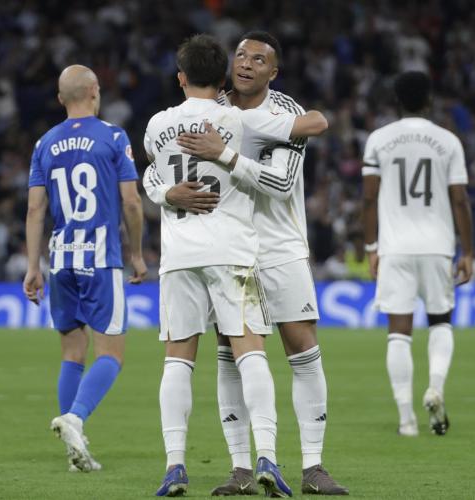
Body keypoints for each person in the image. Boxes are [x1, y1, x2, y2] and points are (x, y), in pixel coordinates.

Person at [145, 31, 348, 495]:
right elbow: (155, 166)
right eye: (240, 55)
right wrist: (166, 192)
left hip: (277, 248)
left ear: (273, 71)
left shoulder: (281, 112)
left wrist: (225, 155)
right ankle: (241, 469)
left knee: (302, 351)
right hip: (230, 249)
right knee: (231, 358)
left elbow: (281, 184)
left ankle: (313, 465)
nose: (246, 63)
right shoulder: (218, 108)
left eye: (258, 59)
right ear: (225, 68)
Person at [23, 65, 147, 472]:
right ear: (95, 91)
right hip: (100, 258)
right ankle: (75, 418)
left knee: (72, 354)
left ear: (61, 98)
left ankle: (73, 454)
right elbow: (131, 202)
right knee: (111, 355)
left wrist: (33, 265)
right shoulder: (113, 136)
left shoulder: (44, 143)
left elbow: (35, 209)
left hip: (60, 259)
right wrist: (137, 253)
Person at [362, 71, 473, 437]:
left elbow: (368, 198)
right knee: (440, 321)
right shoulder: (448, 141)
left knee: (399, 332)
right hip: (437, 246)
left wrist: (371, 248)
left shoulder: (378, 140)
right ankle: (435, 388)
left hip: (395, 248)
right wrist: (468, 251)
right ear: (429, 101)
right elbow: (460, 200)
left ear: (397, 100)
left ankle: (406, 419)